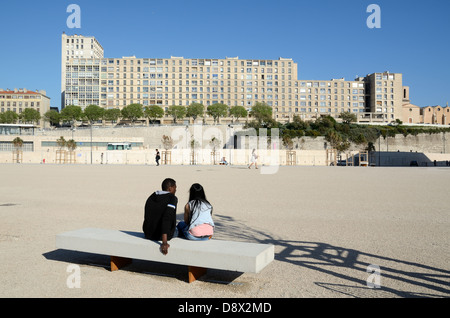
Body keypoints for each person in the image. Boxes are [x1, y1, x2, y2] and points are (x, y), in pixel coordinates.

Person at [143, 178, 178, 255]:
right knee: (181, 228)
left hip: (148, 233)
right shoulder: (172, 198)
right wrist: (164, 242)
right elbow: (166, 219)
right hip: (162, 236)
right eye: (175, 187)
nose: (176, 190)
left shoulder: (152, 196)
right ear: (170, 188)